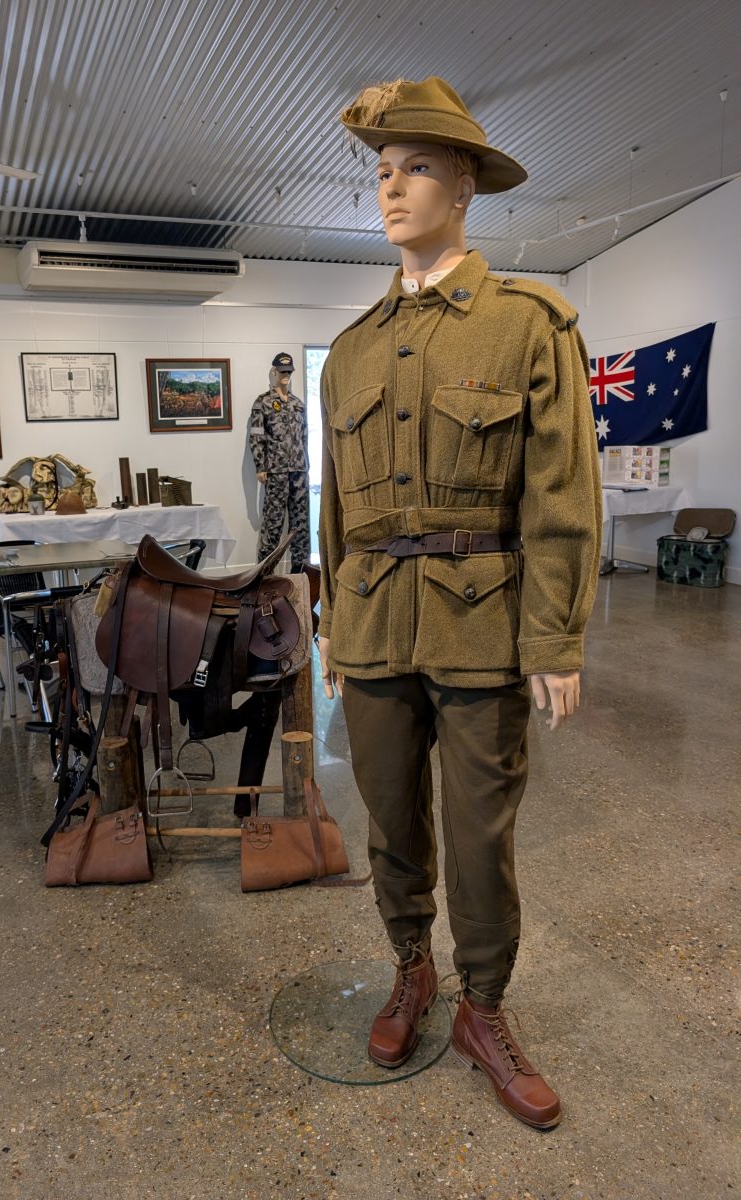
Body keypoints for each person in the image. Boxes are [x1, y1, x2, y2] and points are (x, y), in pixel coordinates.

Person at [317, 76, 601, 1130]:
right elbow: (335, 505)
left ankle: (484, 1008)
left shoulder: (528, 324)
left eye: (418, 168)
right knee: (391, 823)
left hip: (483, 620)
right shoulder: (350, 350)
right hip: (373, 622)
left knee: (480, 838)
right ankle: (411, 970)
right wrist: (335, 622)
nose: (392, 189)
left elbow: (562, 490)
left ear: (466, 185)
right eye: (382, 172)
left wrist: (555, 639)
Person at [249, 352, 310, 573]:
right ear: (274, 372)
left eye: (289, 372)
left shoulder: (298, 404)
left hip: (299, 472)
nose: (286, 376)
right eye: (282, 372)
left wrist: (307, 465)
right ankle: (264, 576)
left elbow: (304, 438)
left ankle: (301, 575)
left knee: (300, 526)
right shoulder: (263, 402)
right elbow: (256, 436)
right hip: (276, 472)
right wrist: (260, 466)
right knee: (273, 524)